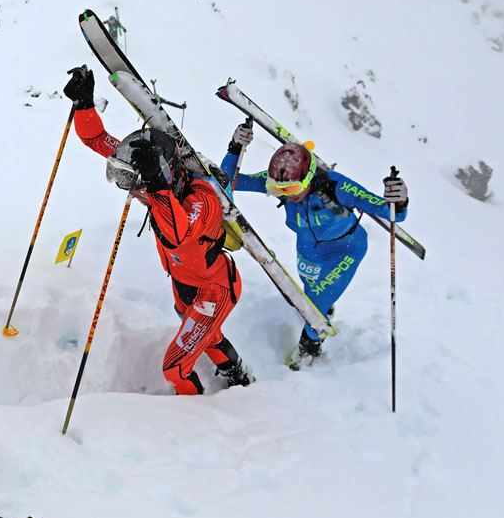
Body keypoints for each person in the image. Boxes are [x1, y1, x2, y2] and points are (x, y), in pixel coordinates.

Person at [63, 66, 252, 395]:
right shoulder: (153, 185)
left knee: (175, 368)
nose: (135, 194)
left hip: (213, 291)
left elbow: (179, 233)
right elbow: (97, 140)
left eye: (136, 186)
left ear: (163, 175)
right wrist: (84, 105)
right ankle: (238, 375)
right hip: (185, 287)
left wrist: (157, 186)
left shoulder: (203, 200)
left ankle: (196, 418)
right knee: (210, 337)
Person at [222, 120, 409, 368]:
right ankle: (324, 309)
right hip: (309, 248)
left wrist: (400, 200)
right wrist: (235, 148)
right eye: (279, 190)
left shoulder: (337, 186)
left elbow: (392, 212)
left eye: (292, 188)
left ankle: (309, 348)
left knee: (314, 307)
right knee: (310, 292)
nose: (286, 194)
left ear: (309, 178)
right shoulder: (279, 182)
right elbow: (226, 181)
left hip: (346, 249)